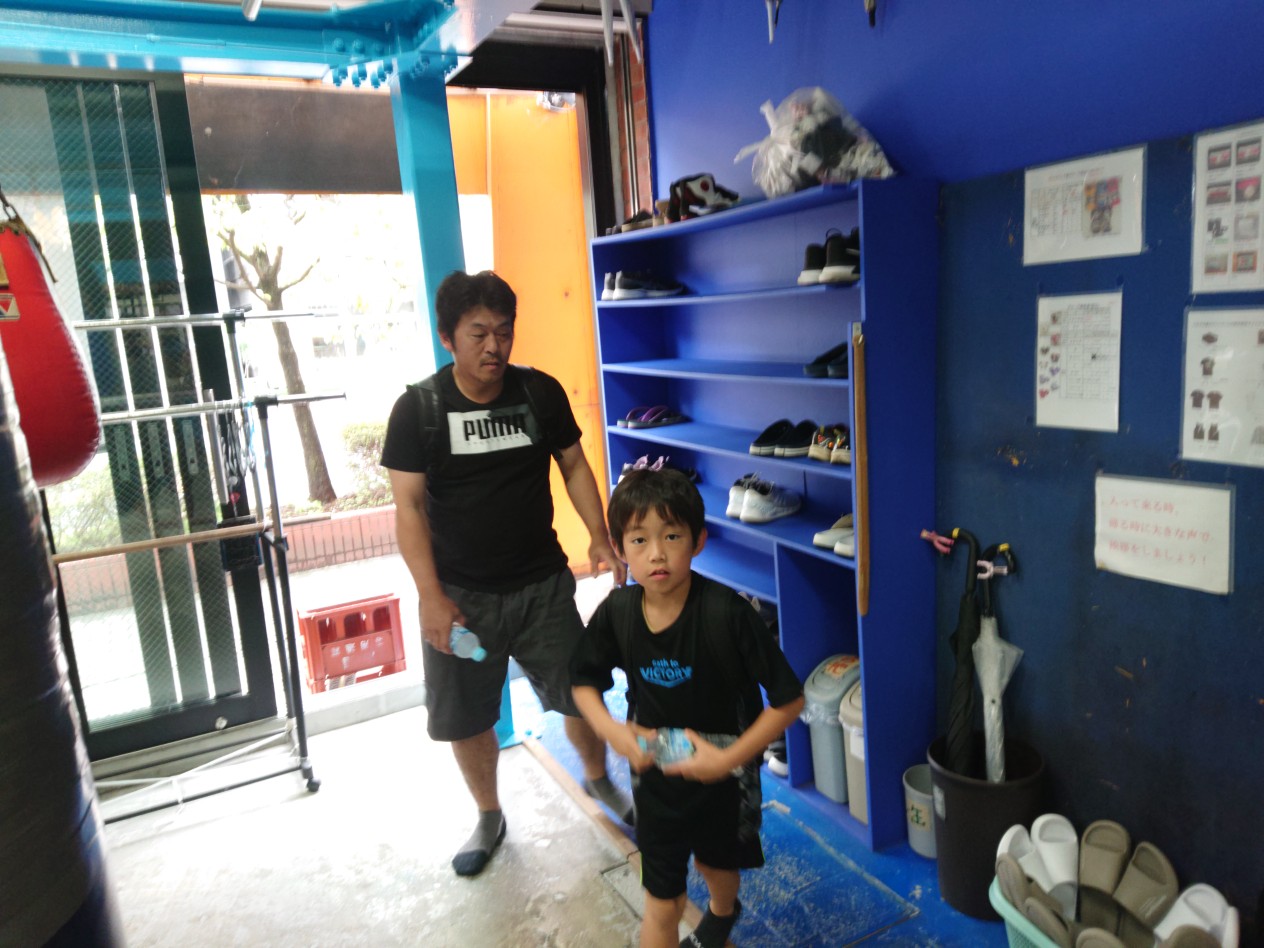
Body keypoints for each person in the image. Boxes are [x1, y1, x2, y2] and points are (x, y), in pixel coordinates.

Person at [381, 269, 632, 878]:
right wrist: (429, 596)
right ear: (448, 337)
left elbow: (573, 465)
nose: (494, 347)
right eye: (478, 334)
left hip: (542, 589)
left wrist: (599, 536)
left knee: (580, 693)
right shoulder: (418, 410)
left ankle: (598, 778)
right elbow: (408, 509)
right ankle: (489, 815)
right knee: (467, 715)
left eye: (504, 332)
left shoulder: (538, 393)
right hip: (461, 601)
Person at [571, 468, 805, 948]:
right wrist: (614, 732)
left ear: (698, 541)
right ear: (620, 548)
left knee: (716, 866)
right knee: (662, 903)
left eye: (672, 536)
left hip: (725, 775)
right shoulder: (618, 613)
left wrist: (727, 759)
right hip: (655, 775)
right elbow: (582, 682)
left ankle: (722, 913)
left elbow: (789, 699)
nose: (656, 553)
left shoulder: (728, 614)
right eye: (639, 539)